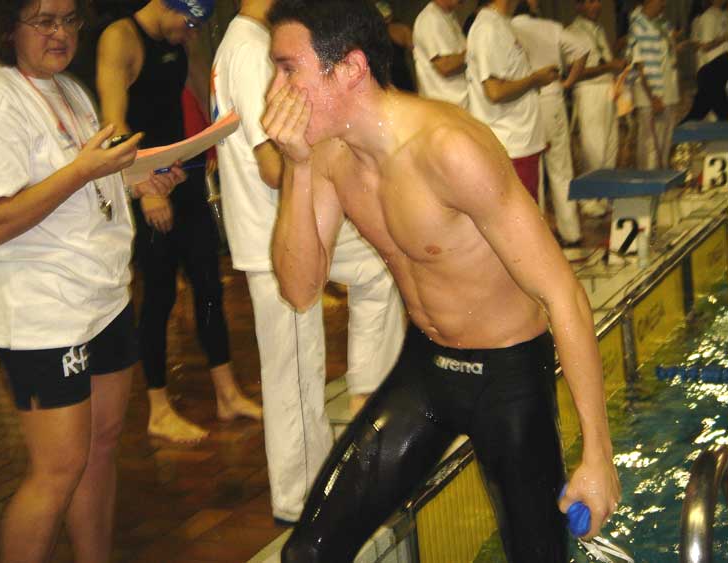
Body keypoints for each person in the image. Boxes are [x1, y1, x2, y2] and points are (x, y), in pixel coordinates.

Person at [261, 0, 620, 561]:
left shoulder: (450, 149)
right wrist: (298, 167)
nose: (274, 91)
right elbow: (299, 290)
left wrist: (598, 455)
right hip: (426, 369)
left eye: (288, 69)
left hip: (508, 378)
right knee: (307, 553)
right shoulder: (328, 157)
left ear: (350, 68)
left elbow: (563, 294)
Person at [0, 0, 173, 560]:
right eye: (44, 21)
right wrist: (83, 170)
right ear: (8, 27)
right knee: (58, 468)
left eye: (69, 20)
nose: (60, 33)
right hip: (43, 307)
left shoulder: (70, 89)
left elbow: (86, 180)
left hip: (101, 296)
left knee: (101, 448)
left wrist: (137, 178)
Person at [211, 0, 406, 524]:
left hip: (284, 222)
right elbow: (273, 165)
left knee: (378, 267)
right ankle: (299, 502)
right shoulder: (252, 50)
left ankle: (368, 402)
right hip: (274, 231)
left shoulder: (246, 42)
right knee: (294, 375)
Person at [96, 0, 262, 444]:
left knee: (209, 286)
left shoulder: (179, 39)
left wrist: (220, 140)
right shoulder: (121, 38)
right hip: (146, 185)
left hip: (182, 176)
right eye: (188, 23)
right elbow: (113, 123)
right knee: (160, 296)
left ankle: (227, 394)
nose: (189, 34)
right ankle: (158, 409)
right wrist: (145, 188)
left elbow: (206, 99)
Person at [511, 0, 588, 247]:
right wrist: (568, 83)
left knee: (533, 171)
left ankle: (540, 237)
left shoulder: (506, 29)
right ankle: (571, 232)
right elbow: (582, 49)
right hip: (552, 99)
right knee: (561, 169)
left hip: (522, 103)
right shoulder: (549, 27)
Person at [466, 0, 558, 201]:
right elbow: (495, 91)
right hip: (511, 145)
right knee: (520, 216)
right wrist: (535, 79)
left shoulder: (500, 23)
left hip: (521, 141)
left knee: (530, 211)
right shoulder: (488, 28)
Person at [568, 0, 628, 216]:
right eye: (590, 2)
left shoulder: (599, 29)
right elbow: (575, 73)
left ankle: (605, 196)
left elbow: (604, 59)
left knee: (611, 147)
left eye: (598, 1)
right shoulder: (573, 32)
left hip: (608, 90)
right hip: (589, 91)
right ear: (578, 6)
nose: (597, 5)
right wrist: (608, 66)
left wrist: (614, 63)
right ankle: (589, 200)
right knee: (593, 148)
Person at [627, 0, 683, 169]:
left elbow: (669, 55)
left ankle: (662, 183)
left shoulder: (662, 24)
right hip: (652, 96)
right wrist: (653, 97)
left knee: (664, 147)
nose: (664, 3)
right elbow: (638, 66)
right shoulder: (638, 26)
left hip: (669, 94)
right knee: (651, 148)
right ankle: (648, 184)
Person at [412, 0, 468, 107]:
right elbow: (444, 65)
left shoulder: (448, 16)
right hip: (444, 106)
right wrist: (474, 51)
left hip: (458, 105)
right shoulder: (430, 18)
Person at [682, 0, 728, 122]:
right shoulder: (708, 17)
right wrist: (723, 38)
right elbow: (705, 46)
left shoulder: (724, 15)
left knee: (700, 112)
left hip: (721, 73)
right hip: (712, 73)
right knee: (711, 116)